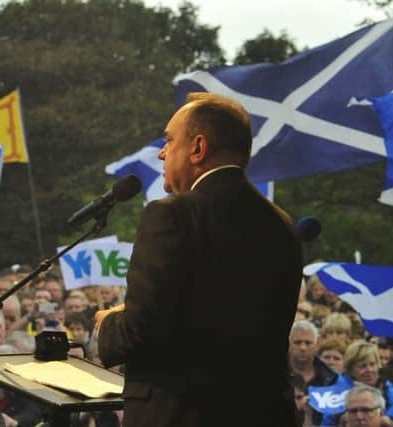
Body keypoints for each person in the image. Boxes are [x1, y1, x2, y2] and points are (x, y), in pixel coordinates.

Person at [95, 92, 303, 426]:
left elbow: (139, 331)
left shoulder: (171, 215)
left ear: (198, 148)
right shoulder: (282, 225)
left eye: (169, 140)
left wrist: (108, 323)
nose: (162, 152)